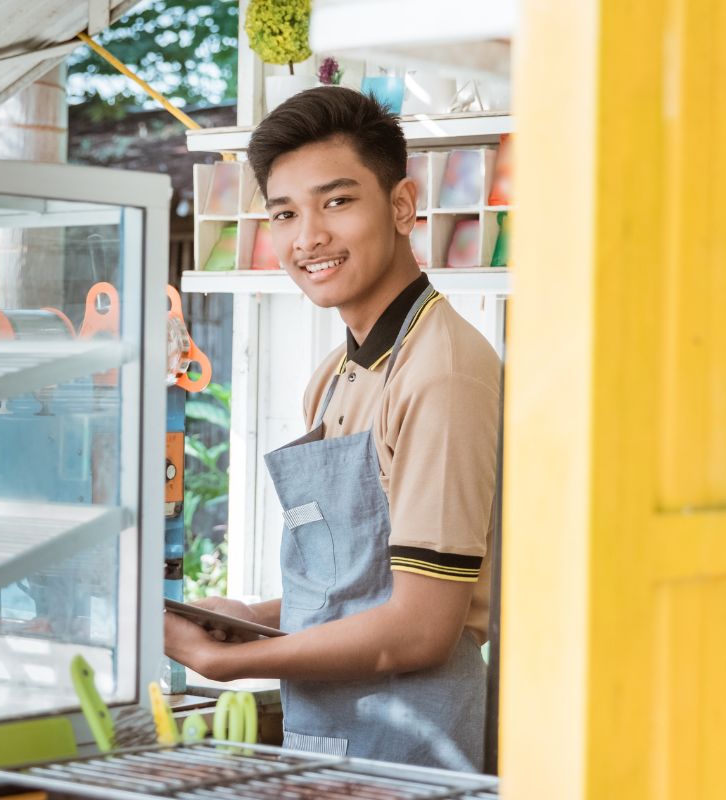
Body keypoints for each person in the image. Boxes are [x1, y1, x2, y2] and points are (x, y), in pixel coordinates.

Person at [163, 86, 502, 771]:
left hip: (414, 754)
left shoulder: (443, 373)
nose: (308, 236)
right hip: (330, 745)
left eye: (336, 201)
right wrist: (247, 616)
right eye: (285, 213)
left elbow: (420, 629)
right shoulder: (334, 374)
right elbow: (366, 589)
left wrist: (236, 662)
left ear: (402, 205)